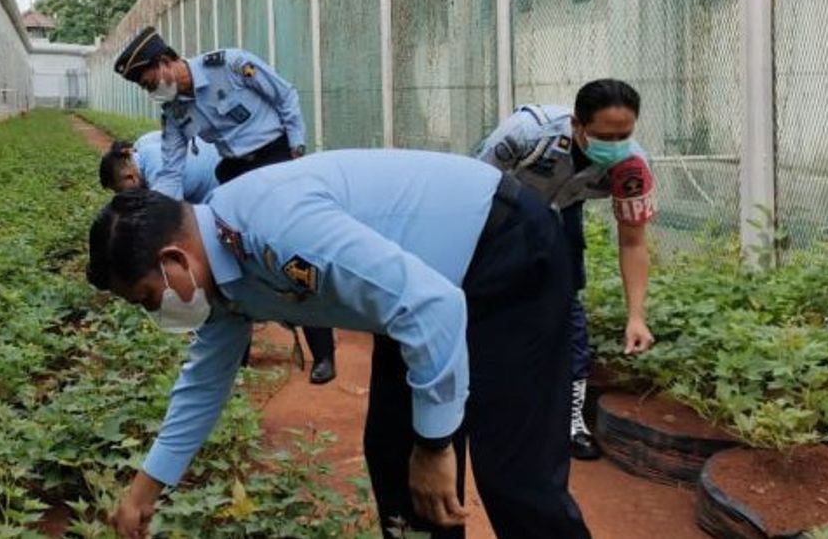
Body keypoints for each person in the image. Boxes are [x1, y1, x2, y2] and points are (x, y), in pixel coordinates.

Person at [87, 149, 591, 539]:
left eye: (148, 298)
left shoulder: (275, 227)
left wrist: (436, 445)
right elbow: (202, 383)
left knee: (513, 473)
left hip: (501, 252)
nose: (155, 312)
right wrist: (144, 489)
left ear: (175, 261)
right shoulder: (222, 278)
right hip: (412, 293)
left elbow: (432, 305)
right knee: (393, 454)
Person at [113, 26, 336, 385]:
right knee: (230, 257)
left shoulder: (230, 66)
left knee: (295, 250)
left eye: (149, 80)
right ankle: (238, 356)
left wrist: (297, 152)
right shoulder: (174, 112)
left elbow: (285, 96)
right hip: (235, 172)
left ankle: (323, 352)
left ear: (166, 61)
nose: (151, 89)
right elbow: (171, 171)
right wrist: (153, 221)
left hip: (275, 158)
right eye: (143, 87)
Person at [475, 79, 657, 461]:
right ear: (577, 125)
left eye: (625, 134)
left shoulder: (632, 166)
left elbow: (633, 241)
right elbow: (470, 189)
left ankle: (570, 420)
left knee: (566, 309)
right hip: (499, 211)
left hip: (561, 214)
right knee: (488, 304)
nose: (617, 143)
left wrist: (636, 316)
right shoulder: (526, 134)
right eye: (605, 135)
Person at [98, 130, 220, 205]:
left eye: (120, 190)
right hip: (216, 153)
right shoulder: (145, 149)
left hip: (219, 186)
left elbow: (171, 218)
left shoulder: (159, 174)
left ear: (130, 177)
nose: (123, 195)